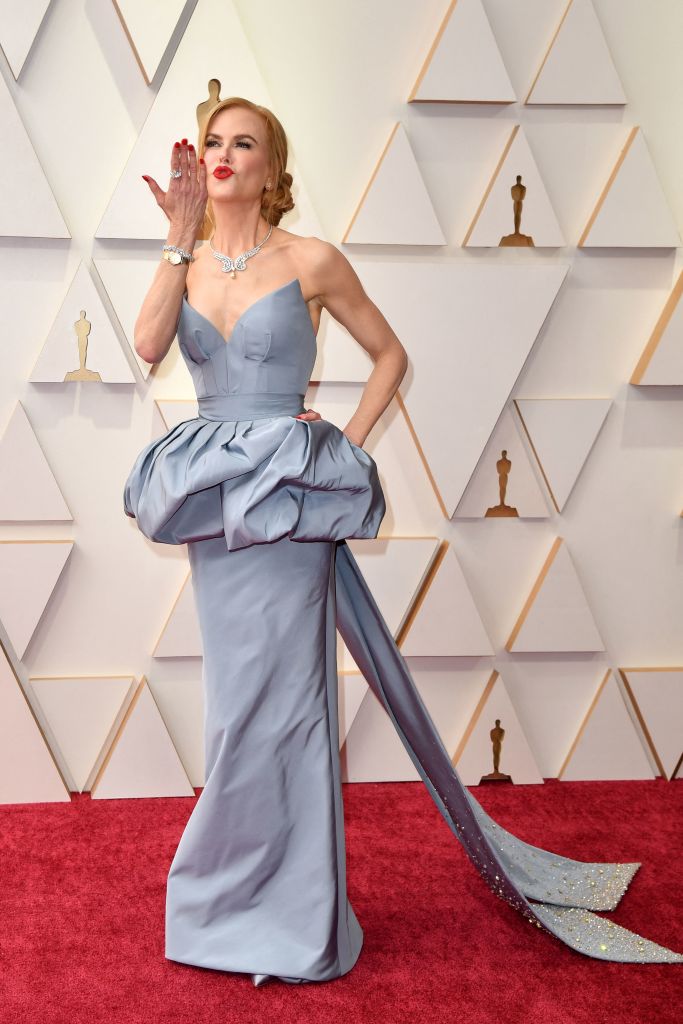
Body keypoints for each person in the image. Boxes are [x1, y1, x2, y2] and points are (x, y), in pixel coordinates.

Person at [123, 96, 682, 985]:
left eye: (244, 142)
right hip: (218, 503)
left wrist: (340, 446)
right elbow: (148, 343)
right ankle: (225, 905)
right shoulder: (182, 260)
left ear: (273, 169)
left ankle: (293, 914)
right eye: (215, 141)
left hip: (289, 502)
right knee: (235, 709)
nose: (224, 153)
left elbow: (390, 354)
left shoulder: (311, 259)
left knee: (289, 705)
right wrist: (176, 235)